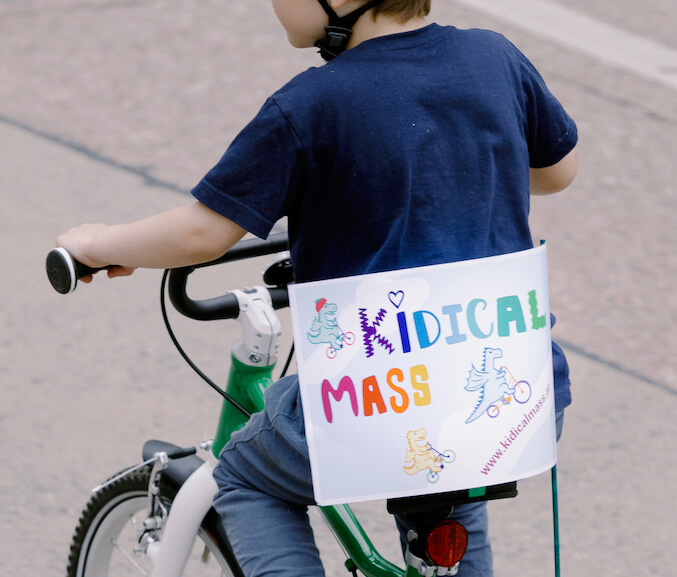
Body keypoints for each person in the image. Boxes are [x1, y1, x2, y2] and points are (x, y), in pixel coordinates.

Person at [56, 0, 578, 575]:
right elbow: (556, 171)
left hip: (384, 410)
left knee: (245, 475)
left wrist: (98, 244)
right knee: (451, 473)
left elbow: (202, 233)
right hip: (519, 399)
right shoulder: (495, 57)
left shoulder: (310, 105)